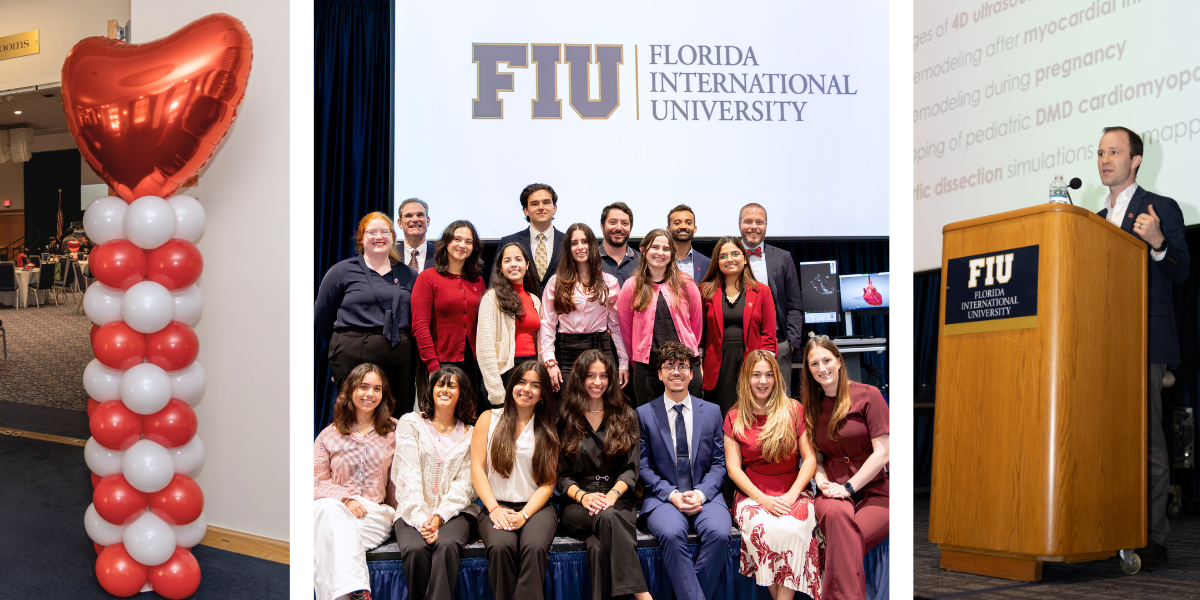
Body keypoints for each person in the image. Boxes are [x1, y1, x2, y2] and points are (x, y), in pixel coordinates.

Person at [1095, 125, 1189, 566]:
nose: (1105, 159)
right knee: (1102, 440)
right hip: (1097, 345)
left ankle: (1152, 536)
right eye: (1099, 152)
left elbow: (1181, 270)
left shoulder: (1161, 208)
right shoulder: (1092, 221)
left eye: (1114, 151)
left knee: (1147, 440)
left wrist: (1157, 243)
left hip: (1143, 341)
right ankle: (1105, 526)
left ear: (1135, 161)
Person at [724, 350, 822, 600]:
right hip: (753, 495)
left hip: (793, 490)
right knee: (762, 528)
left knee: (795, 529)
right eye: (756, 375)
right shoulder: (734, 417)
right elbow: (734, 469)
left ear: (777, 378)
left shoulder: (793, 409)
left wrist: (792, 495)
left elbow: (809, 459)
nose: (763, 381)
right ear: (746, 379)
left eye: (769, 375)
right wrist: (762, 500)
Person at [636, 342, 730, 600]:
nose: (676, 372)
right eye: (669, 366)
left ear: (691, 374)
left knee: (720, 534)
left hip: (705, 495)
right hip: (663, 497)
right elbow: (642, 467)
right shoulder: (644, 414)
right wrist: (671, 494)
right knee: (670, 532)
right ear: (659, 374)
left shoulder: (711, 412)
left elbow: (720, 464)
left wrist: (700, 494)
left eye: (682, 367)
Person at [557, 350, 650, 600]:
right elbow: (562, 474)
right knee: (608, 518)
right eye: (590, 376)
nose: (597, 382)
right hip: (578, 505)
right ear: (580, 378)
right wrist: (583, 497)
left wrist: (611, 495)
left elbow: (632, 468)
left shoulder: (625, 414)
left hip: (618, 498)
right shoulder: (566, 418)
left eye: (603, 376)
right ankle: (643, 595)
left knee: (598, 549)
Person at [802, 337, 889, 600]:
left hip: (874, 491)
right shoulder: (811, 406)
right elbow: (815, 456)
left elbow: (884, 452)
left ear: (839, 361)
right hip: (831, 492)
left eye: (827, 360)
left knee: (842, 544)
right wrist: (823, 481)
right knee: (839, 520)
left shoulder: (868, 395)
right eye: (814, 364)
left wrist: (849, 487)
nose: (822, 368)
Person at [470, 360, 560, 600]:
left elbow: (548, 483)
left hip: (536, 508)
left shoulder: (547, 426)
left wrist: (525, 515)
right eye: (521, 382)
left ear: (542, 395)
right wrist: (494, 509)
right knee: (501, 547)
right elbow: (477, 469)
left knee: (534, 547)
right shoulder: (489, 418)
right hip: (495, 506)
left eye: (535, 385)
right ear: (511, 386)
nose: (526, 389)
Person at [316, 212, 420, 416]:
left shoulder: (409, 274)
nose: (378, 237)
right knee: (354, 414)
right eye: (372, 232)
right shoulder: (341, 271)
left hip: (399, 357)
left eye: (385, 232)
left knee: (397, 415)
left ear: (393, 237)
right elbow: (322, 315)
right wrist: (345, 342)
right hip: (353, 354)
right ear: (361, 238)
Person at [391, 366, 480, 600]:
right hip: (411, 511)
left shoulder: (472, 433)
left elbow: (466, 484)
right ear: (431, 390)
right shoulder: (410, 423)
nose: (445, 390)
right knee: (415, 548)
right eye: (440, 384)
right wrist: (422, 520)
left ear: (461, 393)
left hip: (456, 513)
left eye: (452, 386)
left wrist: (439, 516)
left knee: (447, 544)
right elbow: (406, 476)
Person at [314, 363, 399, 600]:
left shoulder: (395, 431)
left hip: (373, 515)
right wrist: (345, 498)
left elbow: (401, 481)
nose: (370, 394)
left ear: (383, 394)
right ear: (350, 390)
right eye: (363, 387)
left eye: (376, 388)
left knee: (323, 541)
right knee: (327, 509)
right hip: (335, 509)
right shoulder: (329, 434)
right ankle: (358, 594)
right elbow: (314, 483)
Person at [617, 229, 703, 405]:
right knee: (651, 424)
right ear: (643, 250)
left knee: (689, 421)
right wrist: (636, 358)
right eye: (654, 247)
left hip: (686, 365)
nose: (660, 253)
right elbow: (626, 330)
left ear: (672, 253)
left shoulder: (687, 284)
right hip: (647, 369)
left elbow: (696, 325)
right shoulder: (631, 286)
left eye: (666, 249)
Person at [540, 223, 629, 392]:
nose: (580, 247)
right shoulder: (555, 282)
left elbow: (616, 326)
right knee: (569, 408)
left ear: (592, 245)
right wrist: (550, 362)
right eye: (574, 243)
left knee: (604, 406)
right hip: (567, 352)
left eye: (584, 241)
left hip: (600, 347)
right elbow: (547, 324)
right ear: (568, 248)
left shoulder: (609, 282)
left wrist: (623, 362)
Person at [698, 237, 777, 415]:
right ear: (717, 261)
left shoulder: (762, 291)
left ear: (745, 258)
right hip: (718, 367)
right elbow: (698, 335)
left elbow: (769, 335)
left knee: (749, 417)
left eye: (735, 254)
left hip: (751, 364)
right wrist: (699, 367)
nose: (730, 259)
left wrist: (763, 369)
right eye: (723, 256)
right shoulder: (705, 291)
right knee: (720, 418)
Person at [412, 220, 487, 398]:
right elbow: (420, 326)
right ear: (446, 243)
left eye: (468, 242)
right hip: (441, 362)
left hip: (473, 363)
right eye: (457, 239)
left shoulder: (478, 281)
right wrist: (433, 367)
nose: (462, 245)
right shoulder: (427, 278)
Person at [738, 203, 804, 395]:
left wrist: (790, 343)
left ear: (766, 225)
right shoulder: (728, 255)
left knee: (780, 401)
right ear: (739, 225)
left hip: (778, 343)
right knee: (743, 401)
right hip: (739, 344)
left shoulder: (783, 258)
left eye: (759, 222)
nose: (754, 226)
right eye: (748, 221)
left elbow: (794, 304)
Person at [478, 242, 543, 411]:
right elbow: (484, 348)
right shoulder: (491, 298)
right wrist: (496, 391)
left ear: (527, 265)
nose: (513, 264)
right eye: (507, 261)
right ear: (500, 267)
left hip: (531, 369)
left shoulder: (535, 299)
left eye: (518, 259)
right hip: (504, 372)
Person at [494, 183, 564, 295]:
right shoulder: (509, 242)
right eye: (535, 204)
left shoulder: (569, 242)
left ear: (554, 208)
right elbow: (496, 281)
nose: (541, 207)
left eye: (546, 203)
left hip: (560, 310)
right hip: (519, 309)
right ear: (526, 210)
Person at [599, 202, 639, 287]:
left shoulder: (642, 262)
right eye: (613, 222)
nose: (618, 228)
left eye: (624, 223)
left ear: (630, 228)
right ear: (602, 226)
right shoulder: (588, 260)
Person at [668, 204, 710, 283]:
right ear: (668, 229)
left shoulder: (706, 263)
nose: (683, 226)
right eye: (677, 223)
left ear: (695, 228)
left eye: (688, 223)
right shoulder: (659, 259)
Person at [395, 198, 436, 274]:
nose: (415, 219)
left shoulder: (442, 255)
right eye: (409, 216)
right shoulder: (390, 255)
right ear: (400, 223)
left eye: (420, 215)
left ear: (427, 221)